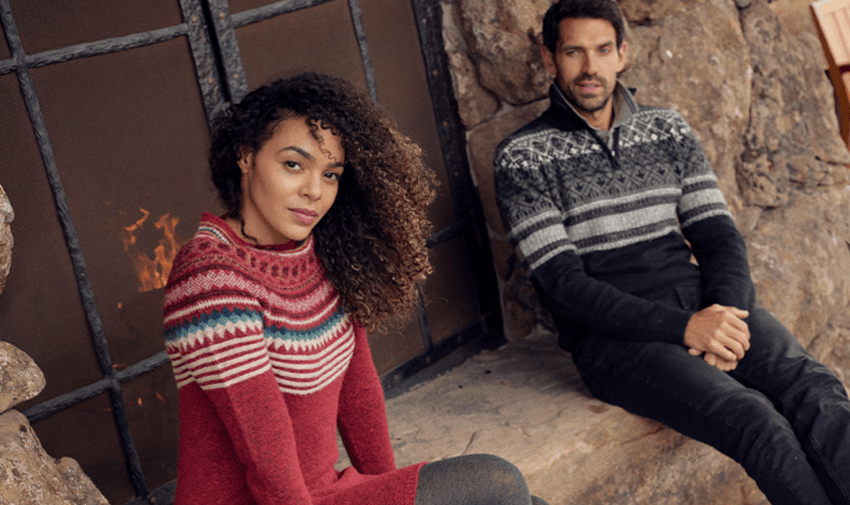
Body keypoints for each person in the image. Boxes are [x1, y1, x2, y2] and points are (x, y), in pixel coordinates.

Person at [493, 1, 850, 504]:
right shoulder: (523, 157)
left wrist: (723, 312)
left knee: (817, 390)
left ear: (623, 54)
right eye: (574, 52)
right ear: (552, 60)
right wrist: (683, 329)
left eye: (601, 50)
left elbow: (718, 237)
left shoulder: (667, 130)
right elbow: (564, 288)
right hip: (614, 341)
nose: (590, 68)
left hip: (703, 304)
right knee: (755, 421)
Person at [163, 72, 548, 505]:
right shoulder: (209, 280)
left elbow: (359, 396)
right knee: (498, 482)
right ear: (246, 156)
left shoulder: (319, 253)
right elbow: (269, 465)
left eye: (331, 174)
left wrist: (395, 491)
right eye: (294, 164)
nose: (314, 191)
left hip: (326, 491)